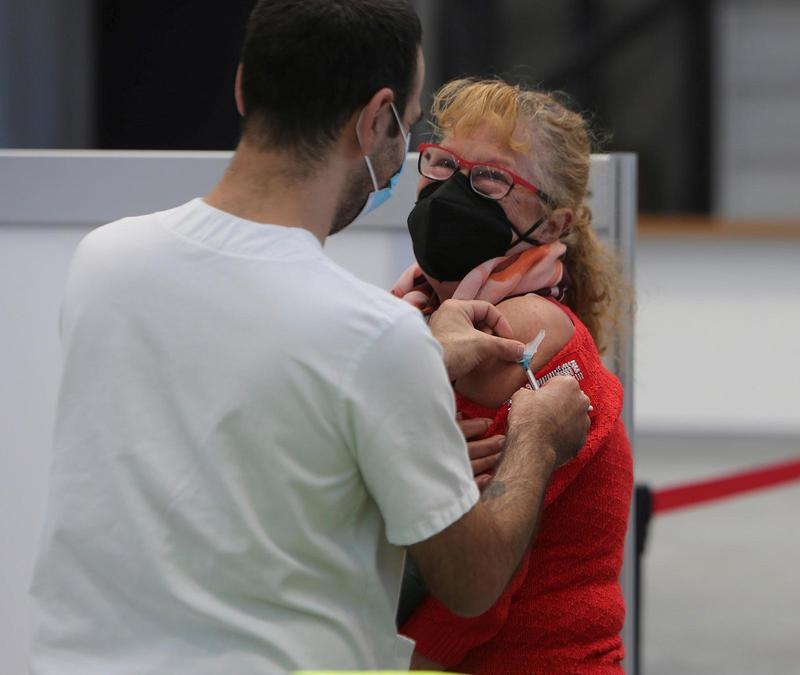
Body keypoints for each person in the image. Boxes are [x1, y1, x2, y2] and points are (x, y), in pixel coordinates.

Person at [28, 2, 591, 673]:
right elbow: (471, 581)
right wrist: (535, 436)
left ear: (243, 86)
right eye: (412, 135)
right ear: (376, 120)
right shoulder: (373, 336)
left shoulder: (106, 261)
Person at [391, 78, 634, 673]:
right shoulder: (413, 313)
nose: (453, 191)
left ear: (552, 226)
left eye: (491, 178)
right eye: (444, 163)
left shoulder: (518, 329)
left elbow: (470, 588)